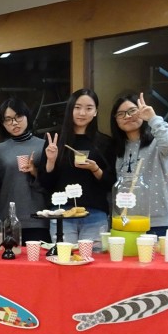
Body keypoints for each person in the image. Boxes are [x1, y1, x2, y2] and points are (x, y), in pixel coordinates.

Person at [36, 88, 115, 243]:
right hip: (62, 214)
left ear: (96, 112)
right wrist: (51, 161)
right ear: (70, 109)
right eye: (77, 107)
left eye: (88, 108)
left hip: (95, 214)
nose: (82, 113)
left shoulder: (105, 143)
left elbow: (111, 182)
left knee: (93, 263)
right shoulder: (56, 140)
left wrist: (95, 169)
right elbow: (45, 184)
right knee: (64, 261)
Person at [110, 92, 168, 236]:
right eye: (121, 114)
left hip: (156, 222)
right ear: (115, 121)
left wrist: (153, 118)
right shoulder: (117, 148)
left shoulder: (157, 142)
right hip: (124, 221)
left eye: (132, 111)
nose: (127, 116)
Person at [0, 98, 50, 243]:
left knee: (37, 263)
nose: (14, 123)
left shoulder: (43, 146)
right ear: (3, 124)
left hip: (37, 217)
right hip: (7, 218)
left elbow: (52, 183)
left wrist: (35, 172)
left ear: (27, 117)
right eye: (8, 119)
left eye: (18, 117)